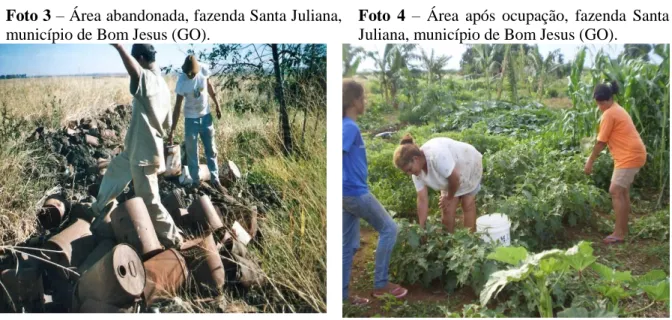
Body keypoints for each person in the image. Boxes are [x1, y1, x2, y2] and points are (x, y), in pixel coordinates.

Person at [91, 44, 183, 249]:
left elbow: (136, 72)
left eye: (136, 59)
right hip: (136, 149)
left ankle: (175, 239)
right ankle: (98, 208)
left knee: (149, 200)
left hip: (144, 153)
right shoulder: (164, 87)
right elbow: (167, 124)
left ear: (140, 58)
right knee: (115, 170)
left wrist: (119, 46)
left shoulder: (149, 80)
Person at [342, 80, 407, 304]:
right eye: (363, 98)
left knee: (348, 244)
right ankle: (381, 284)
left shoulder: (345, 125)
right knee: (390, 228)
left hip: (345, 193)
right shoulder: (350, 126)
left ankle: (343, 296)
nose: (365, 102)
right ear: (354, 101)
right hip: (354, 192)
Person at [583, 80, 646, 245]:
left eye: (600, 104)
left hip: (629, 156)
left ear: (606, 101)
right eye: (598, 104)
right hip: (632, 154)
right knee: (622, 192)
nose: (599, 107)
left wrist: (589, 162)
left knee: (615, 191)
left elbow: (601, 142)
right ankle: (623, 230)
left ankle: (619, 233)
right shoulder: (616, 109)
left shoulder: (610, 113)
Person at [393, 134, 483, 233]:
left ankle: (469, 240)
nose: (409, 174)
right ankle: (447, 242)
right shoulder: (416, 172)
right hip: (450, 173)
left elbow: (455, 178)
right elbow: (422, 199)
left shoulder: (436, 156)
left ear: (415, 159)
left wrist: (449, 198)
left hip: (467, 162)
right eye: (406, 172)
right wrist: (421, 228)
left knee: (467, 203)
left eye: (409, 169)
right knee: (447, 209)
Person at [168, 55, 224, 191]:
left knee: (211, 149)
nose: (190, 75)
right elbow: (177, 106)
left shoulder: (204, 70)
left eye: (193, 73)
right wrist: (172, 130)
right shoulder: (181, 81)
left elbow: (209, 86)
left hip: (206, 117)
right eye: (188, 73)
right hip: (190, 119)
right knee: (192, 152)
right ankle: (195, 182)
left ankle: (215, 180)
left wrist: (217, 105)